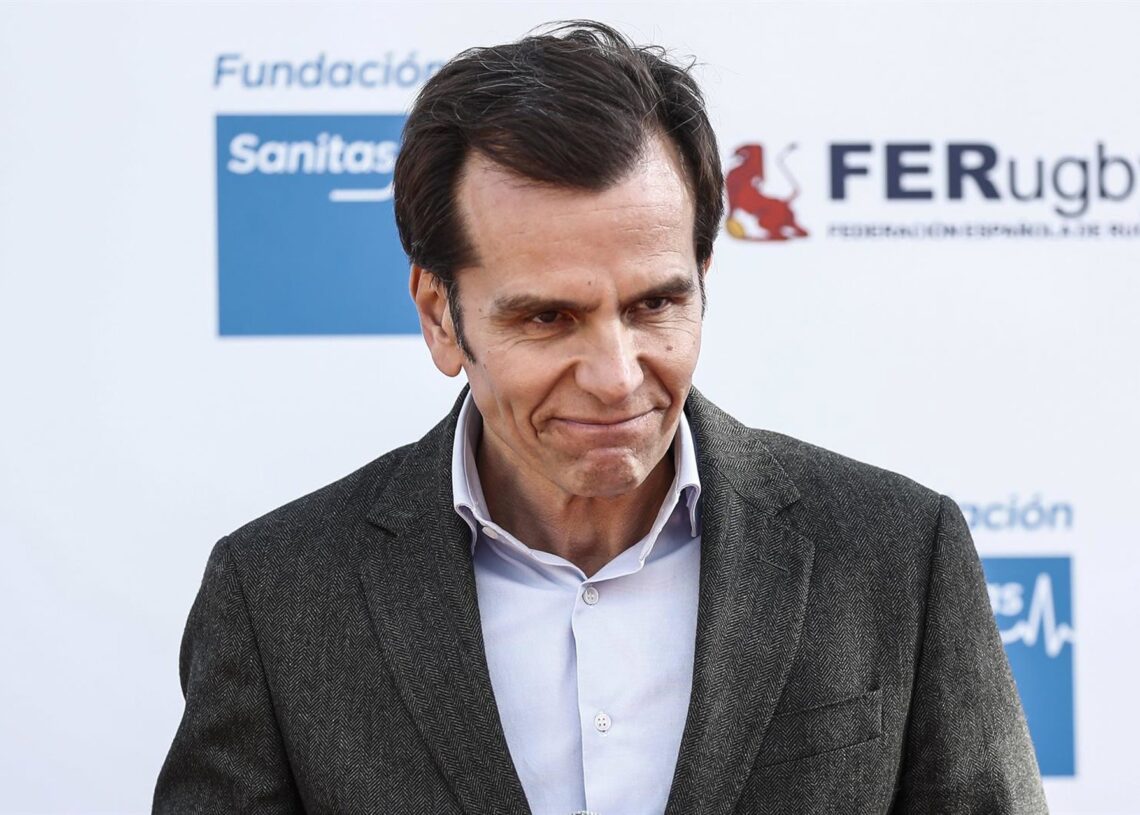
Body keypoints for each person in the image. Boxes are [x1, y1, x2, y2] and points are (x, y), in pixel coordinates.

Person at [154, 22, 1048, 814]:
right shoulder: (279, 595)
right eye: (548, 317)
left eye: (656, 304)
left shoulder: (896, 552)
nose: (617, 376)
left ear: (705, 277)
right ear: (439, 314)